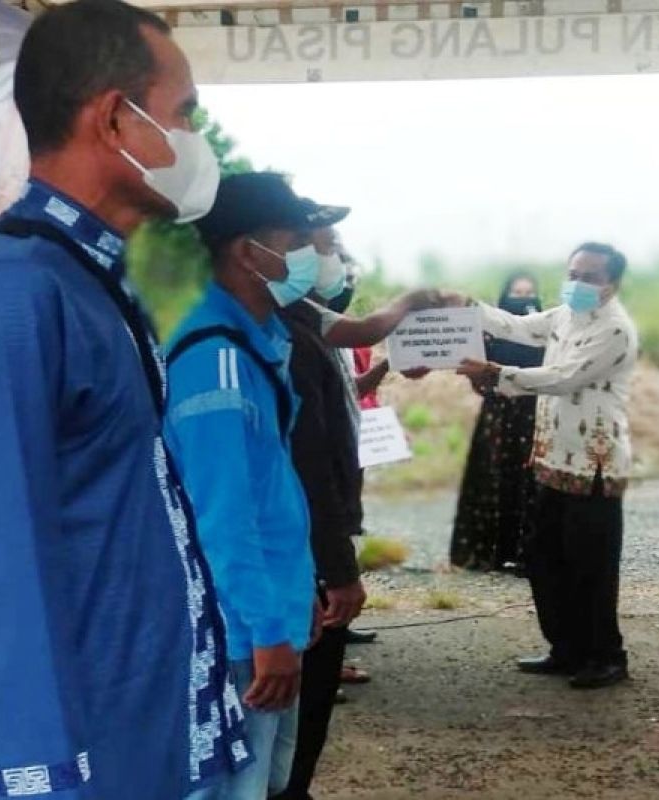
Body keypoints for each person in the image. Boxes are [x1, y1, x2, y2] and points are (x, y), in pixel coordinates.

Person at [0, 2, 250, 796]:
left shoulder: (89, 280)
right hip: (81, 765)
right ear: (115, 120)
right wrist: (39, 775)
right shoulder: (14, 294)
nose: (196, 139)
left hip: (141, 737)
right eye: (185, 113)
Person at [166, 172, 322, 800]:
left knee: (264, 782)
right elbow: (222, 514)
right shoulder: (215, 357)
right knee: (233, 788)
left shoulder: (258, 340)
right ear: (248, 252)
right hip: (240, 629)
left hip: (269, 611)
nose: (313, 254)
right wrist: (266, 632)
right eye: (297, 239)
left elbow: (268, 490)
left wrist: (297, 591)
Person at [455, 243, 638, 689]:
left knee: (590, 565)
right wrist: (467, 308)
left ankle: (606, 655)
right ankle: (566, 646)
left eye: (590, 276)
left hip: (592, 463)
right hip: (551, 456)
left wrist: (496, 373)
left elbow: (564, 377)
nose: (577, 282)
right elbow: (517, 326)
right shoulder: (563, 315)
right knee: (544, 558)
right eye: (572, 272)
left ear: (612, 283)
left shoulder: (615, 328)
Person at [271, 201, 368, 800]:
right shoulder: (278, 336)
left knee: (293, 722)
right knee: (294, 714)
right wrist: (338, 569)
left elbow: (360, 327)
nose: (331, 259)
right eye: (321, 245)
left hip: (307, 543)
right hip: (300, 549)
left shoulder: (296, 318)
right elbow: (308, 465)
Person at [451, 272, 546, 573]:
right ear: (505, 296)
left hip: (535, 412)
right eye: (517, 293)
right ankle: (490, 552)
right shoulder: (486, 333)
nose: (524, 299)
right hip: (499, 413)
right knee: (494, 478)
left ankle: (527, 552)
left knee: (531, 480)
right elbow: (472, 374)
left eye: (529, 293)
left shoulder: (546, 331)